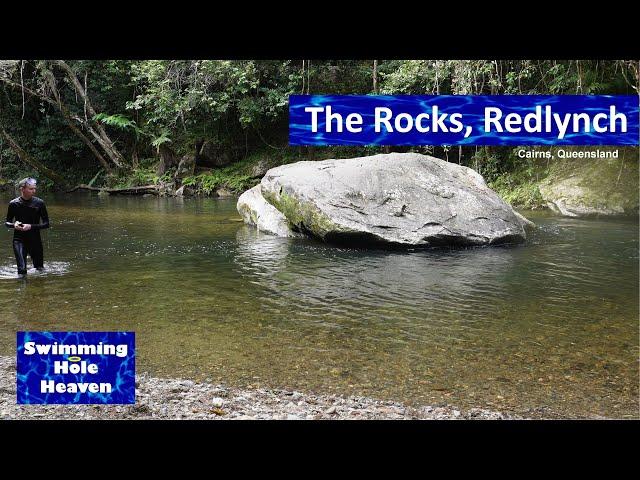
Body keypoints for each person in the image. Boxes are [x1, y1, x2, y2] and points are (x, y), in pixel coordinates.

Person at [4, 177, 50, 277]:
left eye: (34, 188)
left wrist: (30, 226)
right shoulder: (13, 204)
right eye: (31, 189)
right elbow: (7, 223)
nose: (34, 191)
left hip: (35, 240)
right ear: (22, 189)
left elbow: (46, 224)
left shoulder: (40, 203)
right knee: (22, 271)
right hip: (19, 240)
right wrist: (14, 225)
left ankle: (37, 291)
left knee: (39, 270)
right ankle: (22, 291)